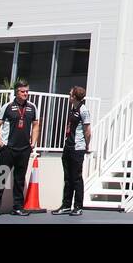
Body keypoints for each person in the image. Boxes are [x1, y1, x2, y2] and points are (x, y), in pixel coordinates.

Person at [0, 80, 40, 217]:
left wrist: (33, 143)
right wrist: (0, 143)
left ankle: (17, 207)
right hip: (8, 149)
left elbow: (36, 125)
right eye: (23, 91)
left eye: (27, 91)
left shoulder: (32, 107)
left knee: (19, 179)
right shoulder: (7, 106)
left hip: (24, 149)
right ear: (16, 92)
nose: (25, 94)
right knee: (1, 177)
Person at [52, 85, 92, 216]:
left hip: (77, 148)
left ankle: (78, 206)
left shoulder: (83, 110)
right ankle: (66, 205)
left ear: (75, 96)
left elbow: (87, 131)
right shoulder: (72, 108)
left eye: (70, 94)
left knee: (76, 178)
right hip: (68, 146)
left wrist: (86, 145)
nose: (69, 96)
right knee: (67, 178)